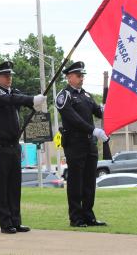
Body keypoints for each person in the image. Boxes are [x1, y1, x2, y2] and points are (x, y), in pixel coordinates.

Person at [0, 60, 46, 234]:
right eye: (5, 75)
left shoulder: (14, 92)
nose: (9, 78)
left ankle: (16, 221)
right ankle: (6, 223)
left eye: (10, 75)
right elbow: (9, 99)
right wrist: (30, 99)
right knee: (1, 187)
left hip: (13, 146)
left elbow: (18, 98)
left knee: (14, 187)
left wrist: (34, 102)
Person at [55, 61, 108, 228]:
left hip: (89, 144)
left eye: (82, 75)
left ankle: (88, 216)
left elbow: (98, 112)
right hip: (75, 143)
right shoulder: (64, 96)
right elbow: (73, 119)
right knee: (76, 182)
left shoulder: (86, 96)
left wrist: (106, 108)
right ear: (69, 77)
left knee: (89, 182)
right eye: (78, 75)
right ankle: (76, 218)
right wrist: (93, 130)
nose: (81, 78)